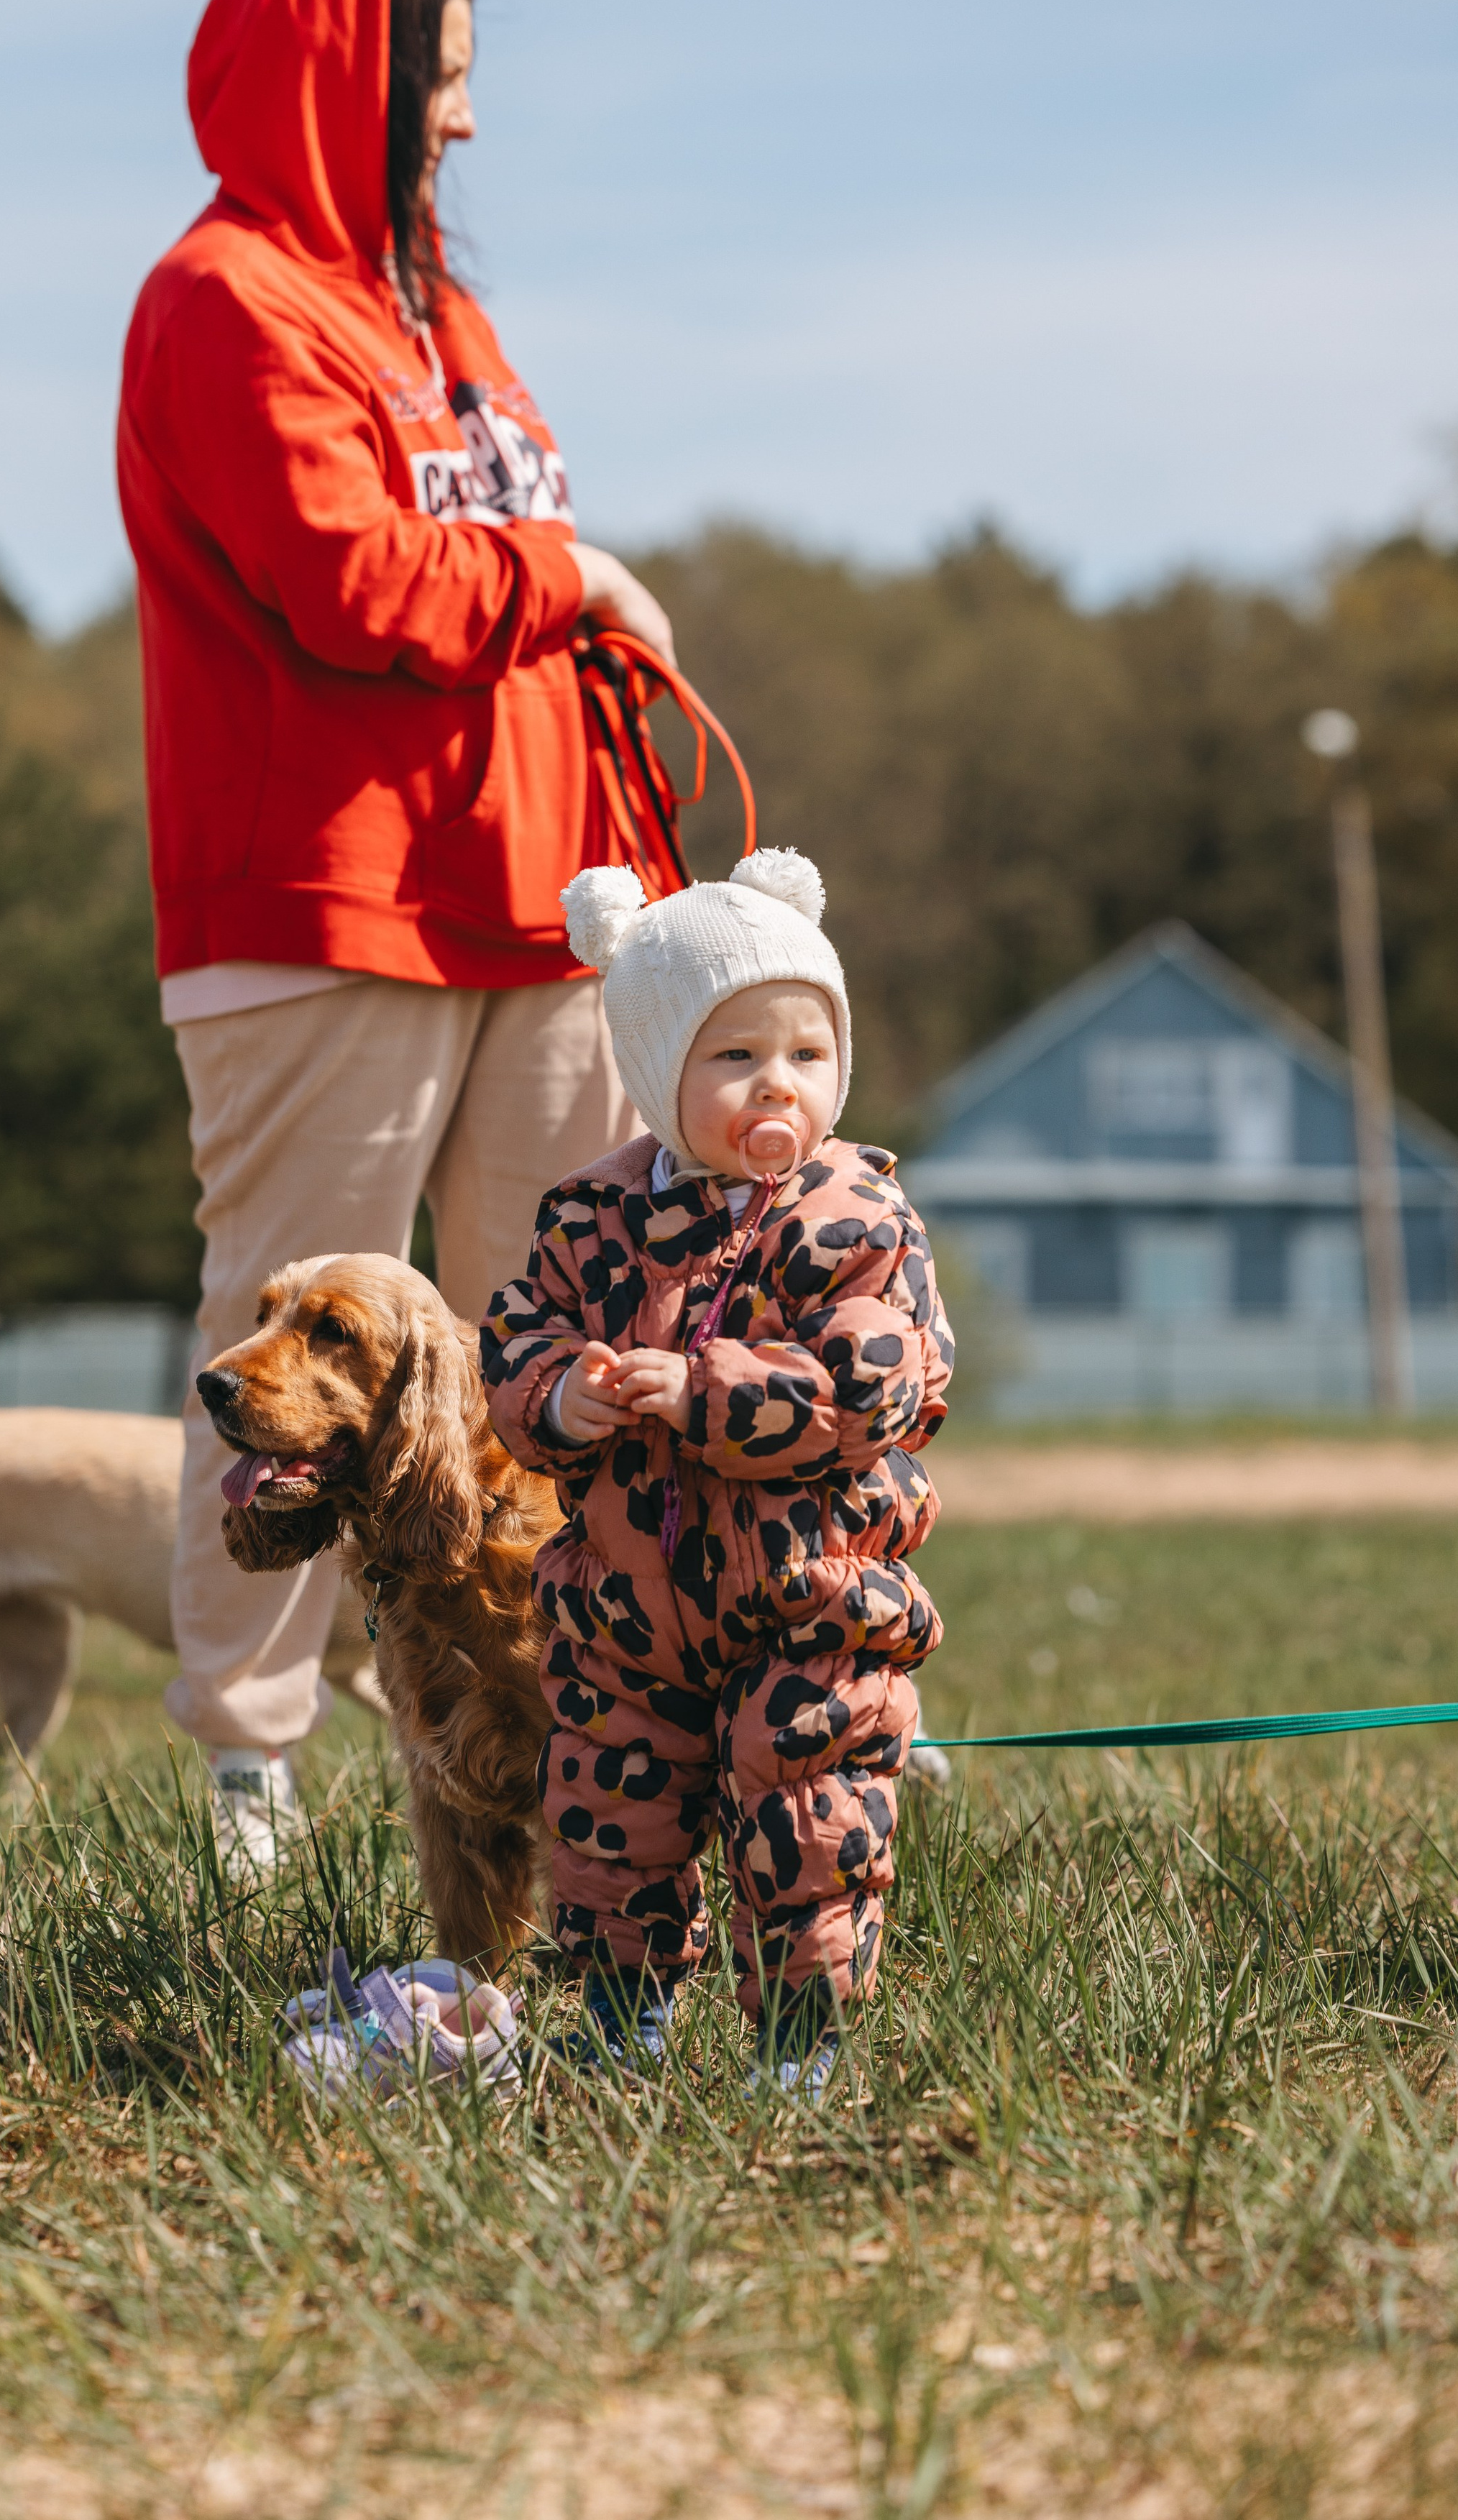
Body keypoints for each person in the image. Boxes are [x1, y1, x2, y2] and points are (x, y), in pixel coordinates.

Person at [117, 0, 670, 1866]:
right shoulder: (226, 298)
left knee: (554, 1329)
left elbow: (479, 560)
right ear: (338, 82)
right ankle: (248, 1762)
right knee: (286, 1356)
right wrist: (576, 577)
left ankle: (597, 1706)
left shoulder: (441, 317)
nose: (463, 127)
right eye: (436, 86)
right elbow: (351, 584)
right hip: (323, 896)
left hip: (530, 887)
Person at [480, 851, 952, 2091]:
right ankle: (616, 2012)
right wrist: (565, 1395)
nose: (779, 1081)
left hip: (811, 1591)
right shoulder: (589, 1217)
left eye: (808, 1049)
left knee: (803, 1806)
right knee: (607, 1805)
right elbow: (516, 1341)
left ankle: (801, 2038)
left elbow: (875, 1384)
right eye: (735, 1054)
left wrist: (708, 1391)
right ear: (652, 1068)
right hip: (628, 1605)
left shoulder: (852, 1214)